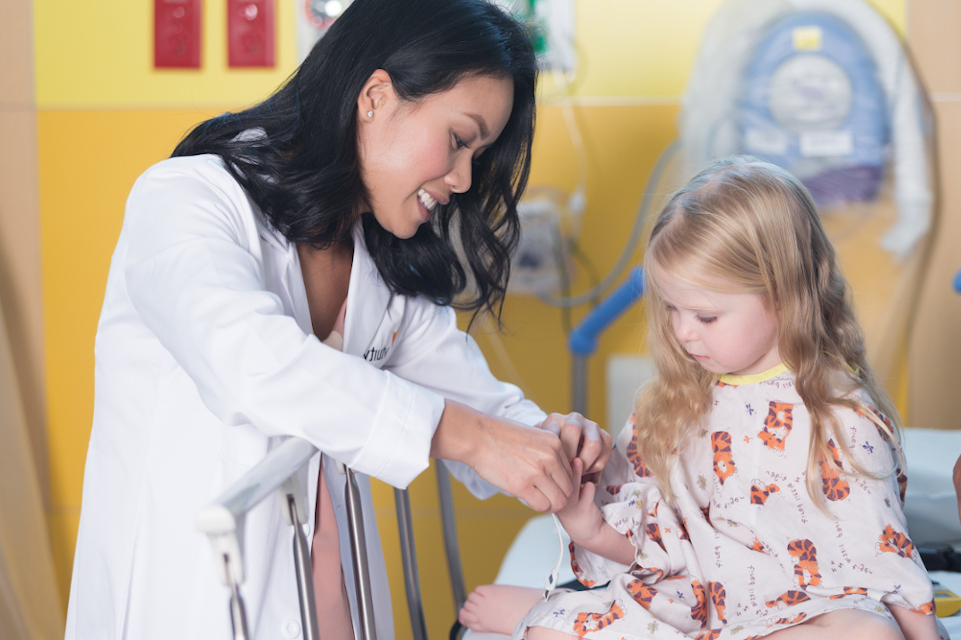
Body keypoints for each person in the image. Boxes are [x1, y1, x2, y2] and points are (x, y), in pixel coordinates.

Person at [64, 1, 612, 638]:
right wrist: (477, 439)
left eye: (477, 155)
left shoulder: (377, 259)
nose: (463, 179)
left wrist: (554, 443)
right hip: (190, 599)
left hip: (323, 602)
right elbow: (250, 363)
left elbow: (478, 405)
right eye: (459, 140)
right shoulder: (186, 199)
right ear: (375, 96)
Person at [459, 157, 945, 640]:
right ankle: (545, 610)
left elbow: (884, 557)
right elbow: (659, 549)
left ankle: (553, 610)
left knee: (869, 635)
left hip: (802, 615)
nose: (683, 332)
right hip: (690, 605)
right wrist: (588, 527)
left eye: (706, 317)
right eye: (672, 308)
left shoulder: (839, 415)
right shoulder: (672, 405)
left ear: (785, 294)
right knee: (552, 632)